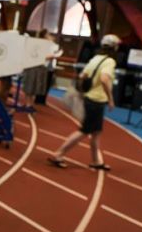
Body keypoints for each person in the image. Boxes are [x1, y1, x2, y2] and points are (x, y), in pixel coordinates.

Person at [48, 34, 121, 171]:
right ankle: (58, 153)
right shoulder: (109, 62)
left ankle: (96, 161)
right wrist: (110, 99)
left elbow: (82, 76)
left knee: (96, 132)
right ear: (114, 47)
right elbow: (105, 79)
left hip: (89, 98)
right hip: (97, 101)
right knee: (84, 131)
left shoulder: (95, 59)